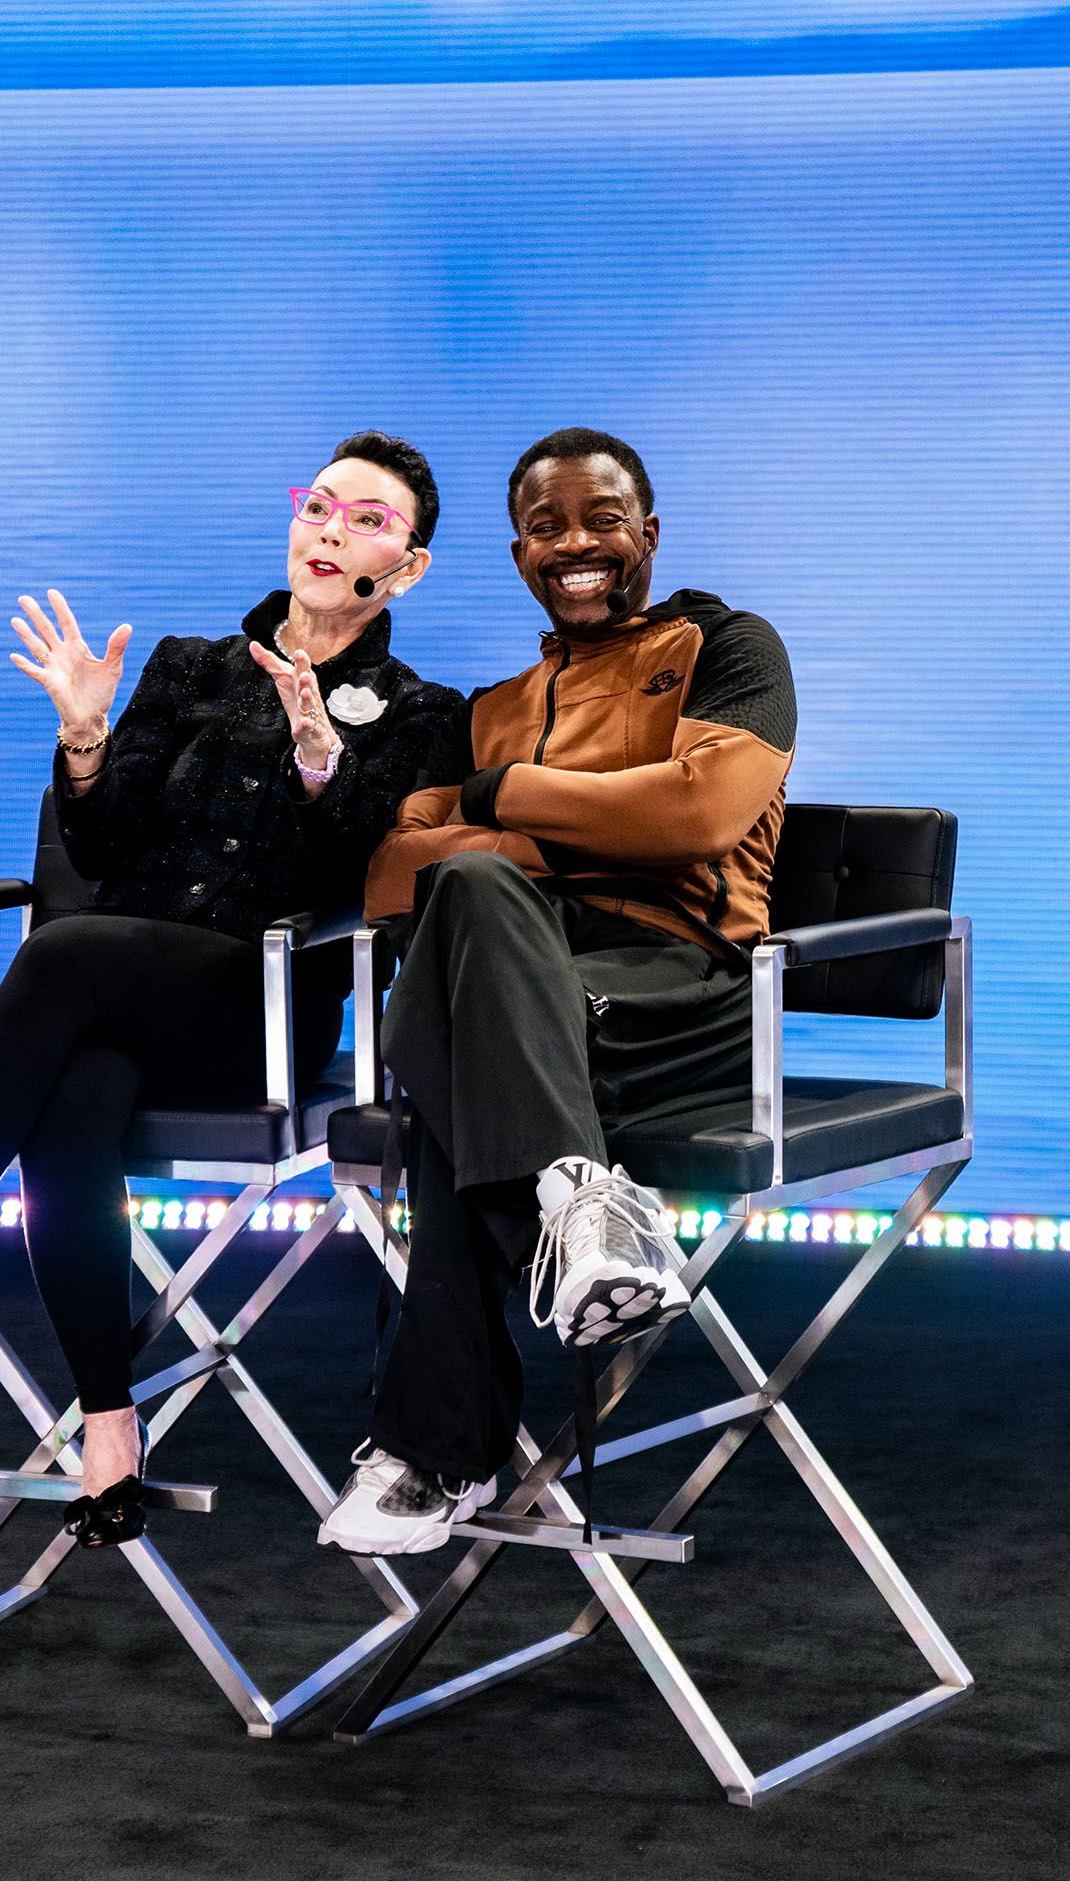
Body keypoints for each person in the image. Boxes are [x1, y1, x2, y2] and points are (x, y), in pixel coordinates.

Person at [0, 432, 467, 1550]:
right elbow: (106, 838)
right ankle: (109, 1423)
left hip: (260, 1007)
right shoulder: (190, 663)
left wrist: (322, 756)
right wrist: (86, 738)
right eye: (319, 505)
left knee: (62, 951)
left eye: (366, 519)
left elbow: (368, 880)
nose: (330, 530)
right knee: (76, 1089)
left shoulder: (428, 710)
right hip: (111, 994)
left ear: (409, 565)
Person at [317, 426, 797, 1556]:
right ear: (518, 549)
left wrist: (497, 798)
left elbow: (699, 816)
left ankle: (433, 1453)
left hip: (682, 993)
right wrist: (582, 826)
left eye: (600, 519)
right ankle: (583, 1203)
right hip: (528, 984)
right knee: (470, 908)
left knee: (456, 1027)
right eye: (544, 526)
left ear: (648, 533)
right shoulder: (487, 700)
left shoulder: (726, 645)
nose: (575, 543)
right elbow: (392, 873)